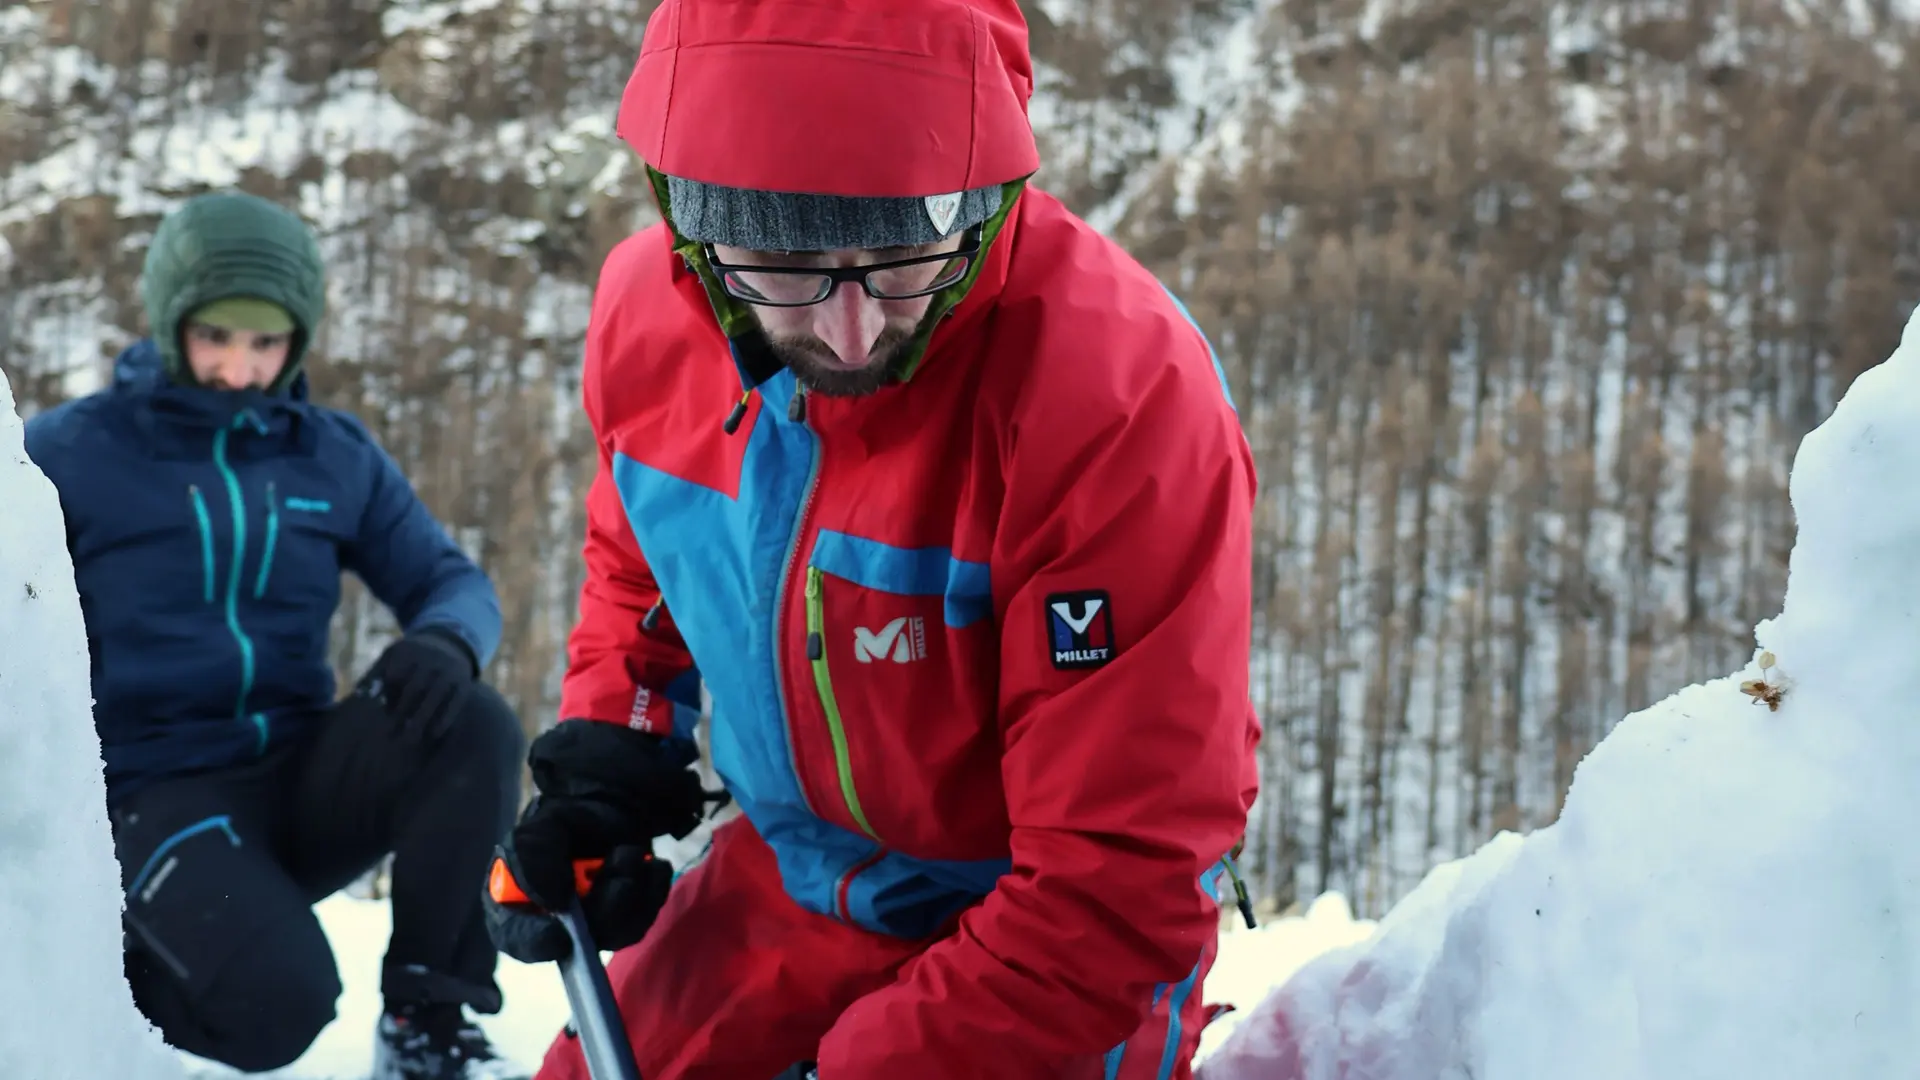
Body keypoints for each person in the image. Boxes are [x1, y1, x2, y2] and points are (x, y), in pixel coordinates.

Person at [479, 1, 1264, 1079]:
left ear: (986, 204)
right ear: (689, 224)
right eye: (784, 266)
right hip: (795, 881)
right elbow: (641, 567)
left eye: (904, 255)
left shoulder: (1116, 403)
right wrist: (615, 750)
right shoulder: (649, 322)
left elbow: (1120, 881)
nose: (852, 332)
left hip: (1047, 935)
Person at [24, 190, 529, 1080]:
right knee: (279, 1007)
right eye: (215, 337)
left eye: (266, 343)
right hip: (152, 797)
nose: (238, 368)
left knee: (473, 719)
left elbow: (453, 583)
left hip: (296, 778)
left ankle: (428, 1020)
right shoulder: (70, 454)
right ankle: (92, 979)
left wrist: (446, 640)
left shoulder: (331, 454)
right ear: (170, 320)